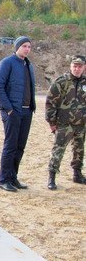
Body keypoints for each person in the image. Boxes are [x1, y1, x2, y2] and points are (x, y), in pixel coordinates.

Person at [0, 36, 36, 192]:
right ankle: (4, 179)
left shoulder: (28, 65)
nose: (27, 49)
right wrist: (9, 109)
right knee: (10, 146)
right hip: (12, 112)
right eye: (24, 46)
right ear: (17, 47)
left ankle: (13, 177)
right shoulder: (7, 63)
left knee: (20, 146)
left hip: (27, 111)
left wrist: (31, 107)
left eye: (29, 47)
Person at [45, 55, 86, 189]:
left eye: (80, 66)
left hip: (81, 124)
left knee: (79, 150)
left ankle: (77, 174)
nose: (77, 69)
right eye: (75, 66)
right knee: (58, 150)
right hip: (64, 124)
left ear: (84, 67)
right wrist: (52, 122)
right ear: (70, 66)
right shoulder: (61, 82)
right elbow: (50, 103)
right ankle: (52, 177)